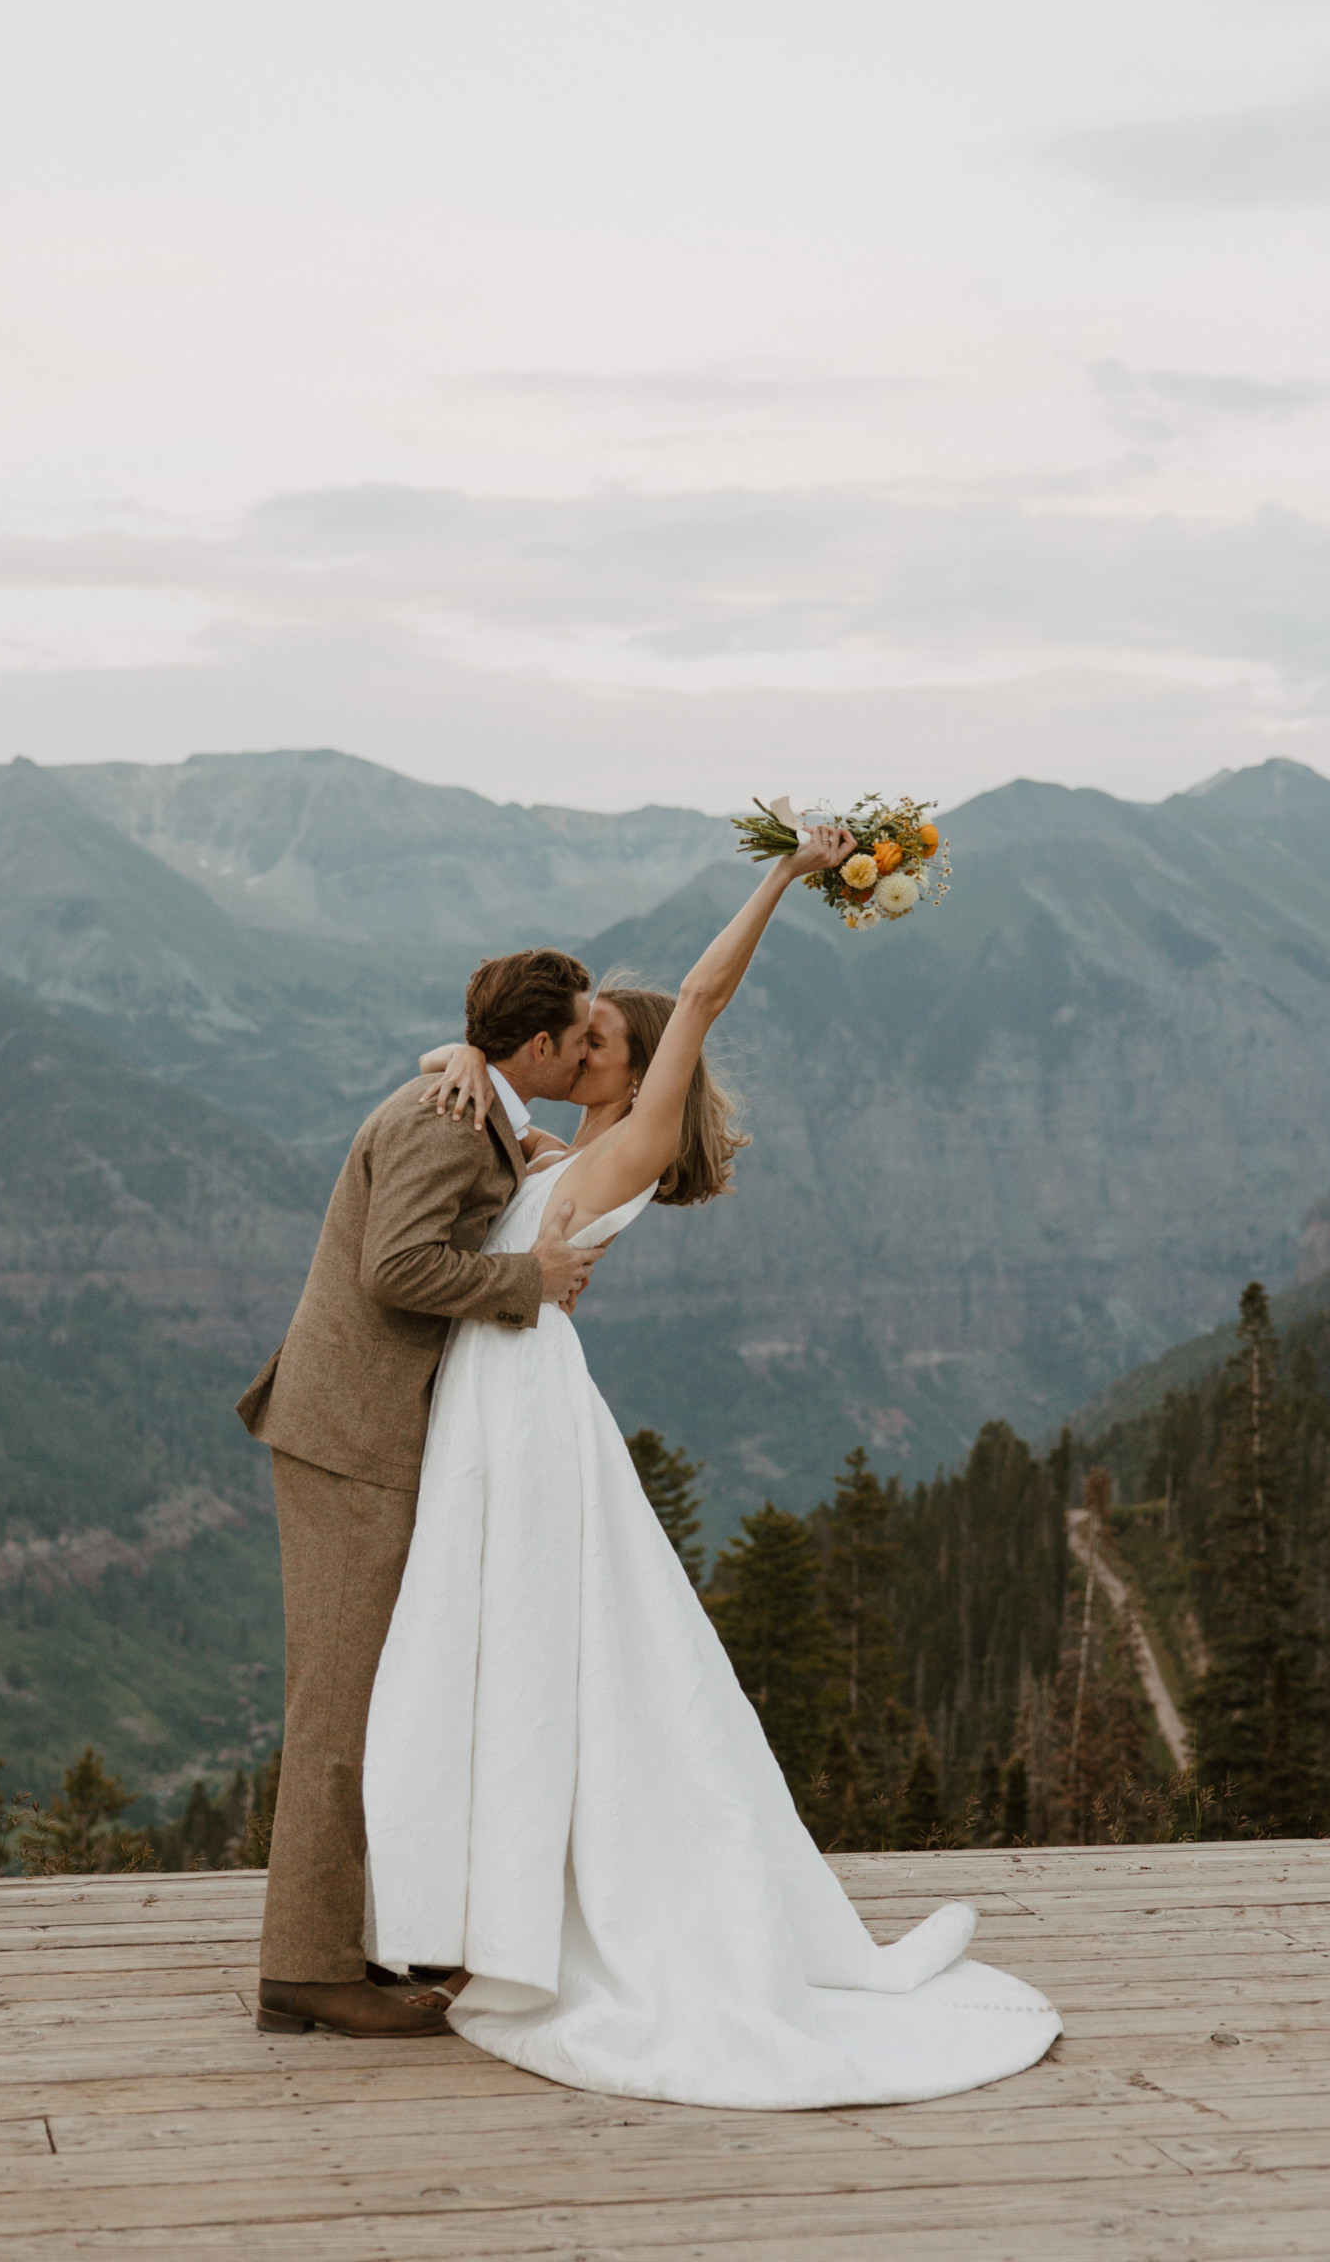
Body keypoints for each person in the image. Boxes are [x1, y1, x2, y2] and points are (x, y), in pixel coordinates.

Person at [363, 826, 1062, 2106]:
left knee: (532, 1649)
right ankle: (495, 1908)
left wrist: (788, 876)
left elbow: (697, 996)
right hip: (491, 1396)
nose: (583, 1050)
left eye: (600, 1045)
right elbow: (472, 1080)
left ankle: (537, 1920)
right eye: (571, 1043)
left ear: (632, 1071)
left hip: (522, 1407)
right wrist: (462, 1046)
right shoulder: (553, 1149)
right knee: (496, 1647)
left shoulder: (626, 1146)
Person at [235, 946, 609, 2037]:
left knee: (375, 1698)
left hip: (367, 1434)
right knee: (338, 1709)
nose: (586, 1051)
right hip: (349, 1440)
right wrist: (526, 1280)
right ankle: (304, 1971)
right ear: (535, 1046)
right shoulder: (445, 1119)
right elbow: (393, 1269)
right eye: (577, 1037)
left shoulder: (469, 1100)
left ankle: (350, 1943)